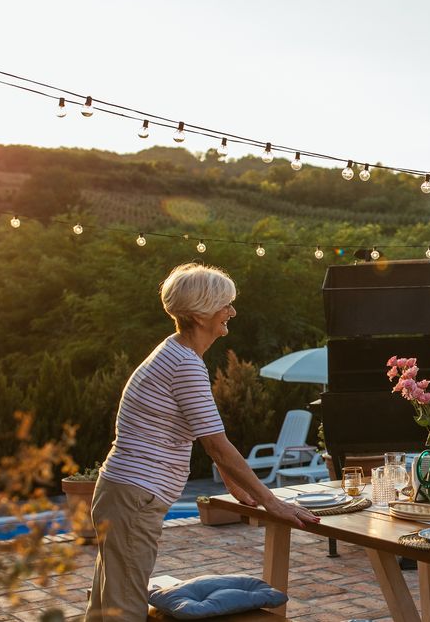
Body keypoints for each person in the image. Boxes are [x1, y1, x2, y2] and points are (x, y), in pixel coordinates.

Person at [86, 262, 320, 620]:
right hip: (134, 496)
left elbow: (200, 435)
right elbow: (217, 444)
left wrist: (232, 483)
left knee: (108, 603)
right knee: (123, 610)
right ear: (200, 313)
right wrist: (272, 502)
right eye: (224, 304)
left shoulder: (174, 353)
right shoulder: (185, 364)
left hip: (123, 492)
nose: (232, 312)